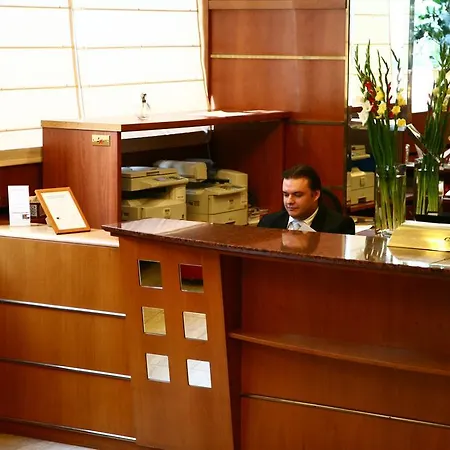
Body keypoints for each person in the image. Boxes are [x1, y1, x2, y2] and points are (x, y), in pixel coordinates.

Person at [258, 164, 355, 235]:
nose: (289, 201)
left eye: (297, 195)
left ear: (315, 195)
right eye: (286, 195)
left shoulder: (340, 226)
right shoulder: (268, 224)